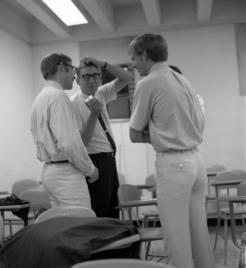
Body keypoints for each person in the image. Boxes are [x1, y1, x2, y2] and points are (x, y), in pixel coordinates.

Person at [128, 34, 214, 268]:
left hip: (174, 164)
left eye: (133, 57)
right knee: (199, 233)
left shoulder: (148, 83)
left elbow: (134, 134)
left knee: (176, 239)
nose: (132, 64)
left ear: (144, 55)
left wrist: (157, 135)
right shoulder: (182, 78)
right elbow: (198, 124)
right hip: (196, 161)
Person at [31, 53, 99, 209]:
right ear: (61, 68)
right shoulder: (58, 96)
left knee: (64, 226)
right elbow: (69, 144)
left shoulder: (39, 98)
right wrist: (90, 170)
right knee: (81, 226)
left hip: (49, 172)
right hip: (66, 174)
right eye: (73, 69)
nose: (75, 75)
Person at [71, 57, 131, 218]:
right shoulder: (74, 104)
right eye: (86, 76)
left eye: (96, 75)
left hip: (110, 159)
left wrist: (102, 64)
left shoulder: (101, 93)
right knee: (100, 212)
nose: (92, 80)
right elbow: (81, 142)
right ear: (77, 80)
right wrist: (93, 115)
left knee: (113, 210)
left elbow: (127, 77)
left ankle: (115, 243)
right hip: (94, 161)